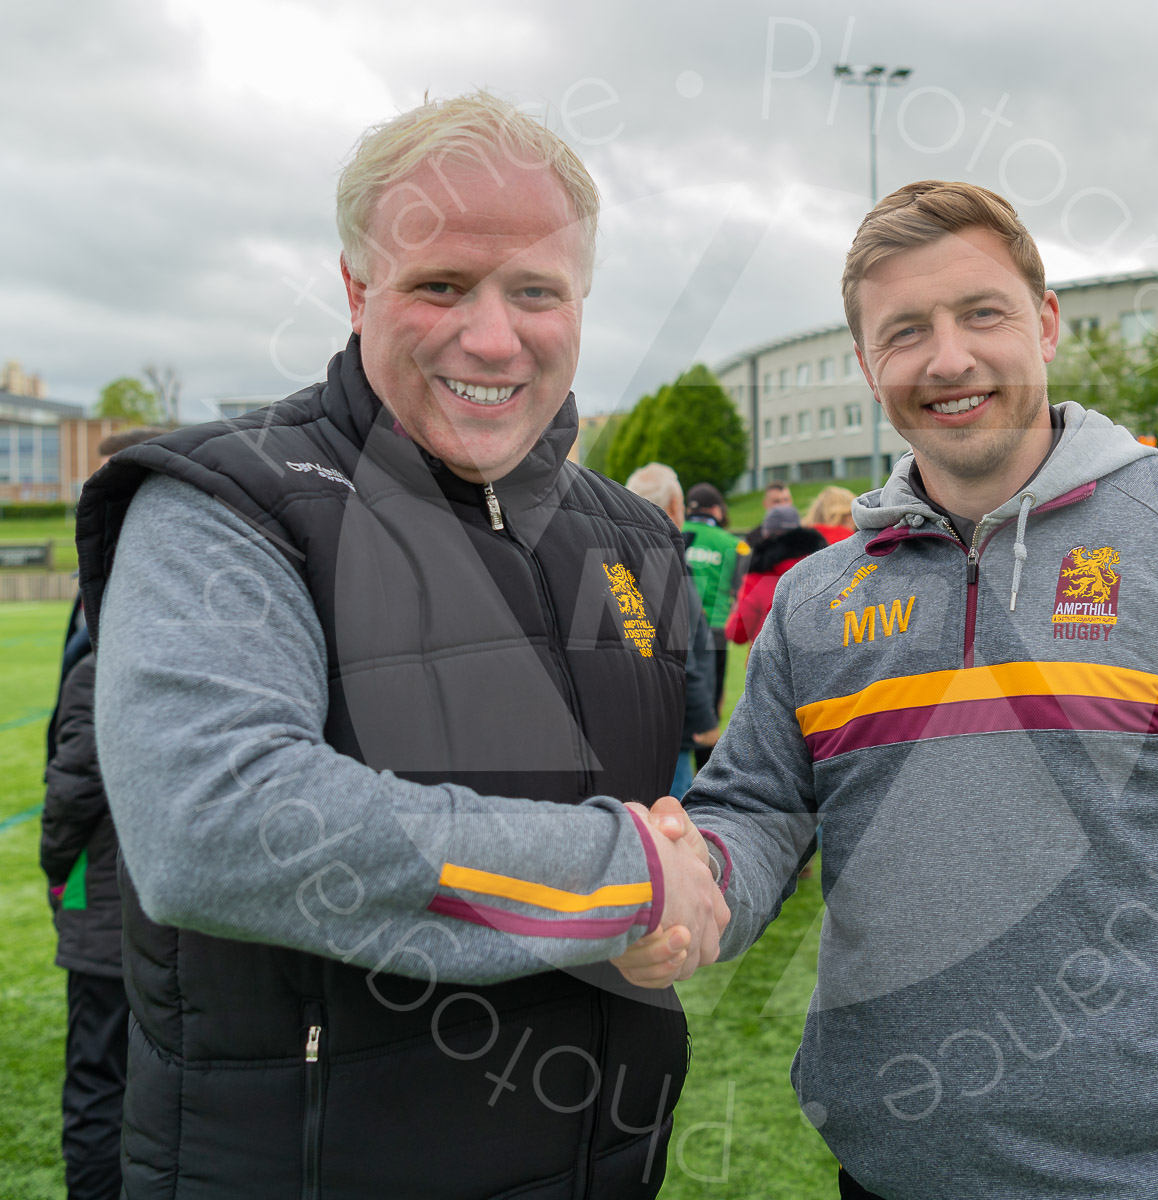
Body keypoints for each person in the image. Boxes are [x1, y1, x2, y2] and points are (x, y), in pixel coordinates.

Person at [640, 181, 1158, 1198]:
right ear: (866, 364)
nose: (948, 359)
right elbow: (757, 808)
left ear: (1047, 322)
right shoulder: (816, 598)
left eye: (982, 313)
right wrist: (694, 877)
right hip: (888, 1177)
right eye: (905, 331)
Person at [76, 92, 727, 1198]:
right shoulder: (226, 501)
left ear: (581, 300)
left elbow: (689, 809)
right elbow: (215, 823)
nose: (493, 337)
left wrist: (688, 881)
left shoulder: (633, 536)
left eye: (535, 291)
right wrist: (625, 880)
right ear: (356, 288)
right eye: (441, 286)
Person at [39, 424, 167, 1200]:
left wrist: (57, 868)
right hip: (149, 899)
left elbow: (74, 784)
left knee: (100, 1081)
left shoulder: (127, 626)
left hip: (115, 894)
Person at [624, 463, 721, 798]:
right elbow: (681, 653)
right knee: (670, 814)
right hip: (668, 726)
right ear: (676, 505)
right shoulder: (660, 560)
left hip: (638, 719)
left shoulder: (624, 555)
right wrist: (703, 719)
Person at [680, 481, 748, 759]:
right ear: (717, 510)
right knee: (711, 704)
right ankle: (704, 766)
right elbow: (739, 589)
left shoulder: (673, 533)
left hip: (677, 627)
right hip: (716, 629)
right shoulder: (734, 544)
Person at [724, 505, 826, 645]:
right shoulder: (823, 568)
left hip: (768, 656)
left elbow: (737, 633)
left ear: (766, 535)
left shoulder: (756, 577)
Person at [744, 480, 793, 550]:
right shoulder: (753, 539)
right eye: (776, 502)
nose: (783, 505)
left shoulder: (802, 535)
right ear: (765, 504)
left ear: (791, 501)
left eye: (786, 500)